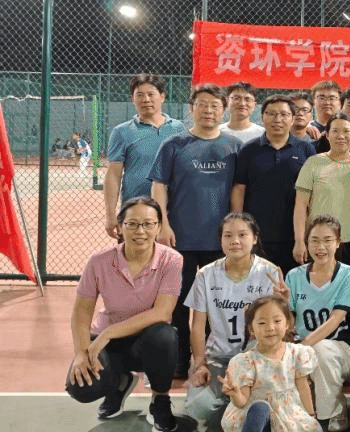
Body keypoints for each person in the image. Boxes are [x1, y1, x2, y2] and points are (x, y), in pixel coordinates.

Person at [66, 197, 182, 432]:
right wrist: (80, 352)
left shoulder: (172, 260)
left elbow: (162, 312)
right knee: (81, 387)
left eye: (148, 224)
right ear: (120, 227)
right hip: (108, 345)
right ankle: (119, 384)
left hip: (148, 342)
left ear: (159, 227)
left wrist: (108, 333)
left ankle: (160, 399)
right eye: (132, 224)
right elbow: (81, 312)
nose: (141, 231)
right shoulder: (98, 261)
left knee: (165, 336)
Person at [150, 83, 242, 378]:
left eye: (215, 105)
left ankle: (214, 359)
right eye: (202, 104)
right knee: (178, 303)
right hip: (180, 238)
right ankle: (179, 359)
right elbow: (159, 186)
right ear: (191, 108)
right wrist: (163, 224)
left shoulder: (234, 146)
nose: (208, 111)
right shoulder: (174, 144)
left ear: (223, 110)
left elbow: (238, 190)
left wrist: (235, 231)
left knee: (218, 303)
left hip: (220, 242)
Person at [183, 212, 281, 431]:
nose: (235, 241)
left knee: (265, 401)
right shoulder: (206, 275)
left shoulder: (269, 273)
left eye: (242, 235)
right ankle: (232, 409)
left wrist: (282, 303)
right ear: (220, 240)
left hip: (256, 357)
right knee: (199, 408)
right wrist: (199, 364)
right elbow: (197, 326)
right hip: (217, 356)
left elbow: (277, 331)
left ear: (255, 238)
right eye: (228, 235)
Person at [281, 215, 350, 432]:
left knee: (320, 350)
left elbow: (336, 319)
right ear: (306, 243)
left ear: (338, 242)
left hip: (341, 349)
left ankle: (333, 414)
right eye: (314, 240)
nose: (320, 247)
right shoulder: (294, 276)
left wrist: (300, 349)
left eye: (327, 240)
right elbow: (289, 322)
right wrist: (283, 304)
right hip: (301, 347)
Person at [231, 95, 316, 274]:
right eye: (271, 114)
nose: (277, 119)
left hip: (294, 234)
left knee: (290, 284)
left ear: (292, 118)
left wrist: (304, 235)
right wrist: (238, 224)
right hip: (257, 233)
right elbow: (239, 188)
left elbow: (312, 193)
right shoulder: (249, 150)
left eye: (284, 114)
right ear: (262, 117)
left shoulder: (305, 149)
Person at [219, 294, 319, 432]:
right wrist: (235, 395)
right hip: (257, 418)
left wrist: (311, 415)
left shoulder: (296, 353)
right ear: (251, 329)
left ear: (287, 324)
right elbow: (242, 402)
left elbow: (303, 387)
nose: (270, 327)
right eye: (262, 323)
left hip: (288, 415)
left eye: (277, 321)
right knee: (260, 408)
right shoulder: (247, 361)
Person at [104, 73, 187, 238]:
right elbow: (114, 174)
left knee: (171, 255)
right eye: (140, 95)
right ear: (132, 99)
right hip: (135, 212)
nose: (146, 99)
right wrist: (110, 214)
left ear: (162, 97)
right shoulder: (122, 132)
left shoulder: (179, 129)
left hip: (173, 212)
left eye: (151, 94)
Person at [293, 113, 350, 267]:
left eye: (346, 131)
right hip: (318, 242)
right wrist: (299, 241)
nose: (341, 136)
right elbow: (301, 205)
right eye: (335, 131)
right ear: (327, 135)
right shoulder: (313, 163)